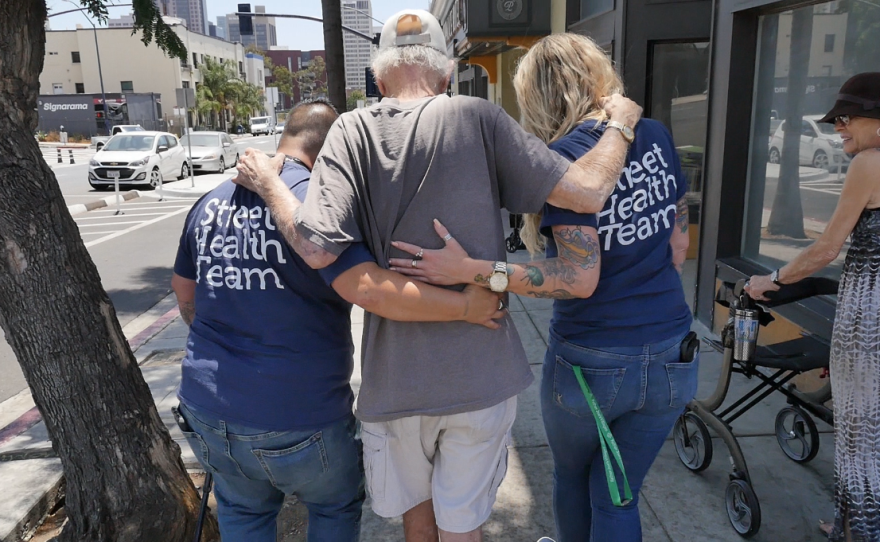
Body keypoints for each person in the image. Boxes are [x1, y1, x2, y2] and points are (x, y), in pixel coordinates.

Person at [233, 10, 642, 542]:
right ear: (447, 74)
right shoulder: (479, 117)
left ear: (378, 80)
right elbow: (587, 192)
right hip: (481, 372)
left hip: (396, 380)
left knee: (417, 526)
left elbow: (313, 246)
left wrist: (269, 181)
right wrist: (621, 122)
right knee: (463, 529)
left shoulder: (351, 130)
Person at [390, 33, 697, 542]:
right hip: (672, 351)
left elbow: (579, 278)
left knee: (576, 480)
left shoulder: (564, 160)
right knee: (619, 494)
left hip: (594, 360)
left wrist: (471, 269)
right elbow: (679, 244)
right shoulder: (657, 134)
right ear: (599, 74)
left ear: (534, 95)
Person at [170, 99, 505, 542]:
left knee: (243, 512)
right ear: (333, 151)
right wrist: (466, 308)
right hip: (299, 416)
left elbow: (185, 293)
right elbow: (371, 288)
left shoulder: (211, 202)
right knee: (333, 504)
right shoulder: (320, 204)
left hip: (208, 409)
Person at [744, 72, 880, 542]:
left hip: (869, 316)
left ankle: (856, 529)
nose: (838, 126)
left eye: (847, 117)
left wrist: (772, 278)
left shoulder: (871, 163)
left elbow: (826, 248)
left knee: (861, 427)